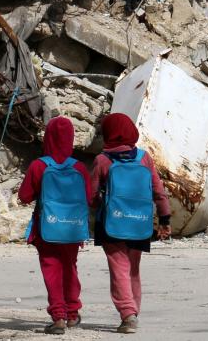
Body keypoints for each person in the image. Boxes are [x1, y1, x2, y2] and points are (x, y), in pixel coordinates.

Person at [91, 113, 172, 334]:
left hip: (111, 223)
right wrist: (165, 220)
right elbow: (158, 191)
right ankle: (133, 310)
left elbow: (91, 195)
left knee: (119, 268)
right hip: (140, 224)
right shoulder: (144, 158)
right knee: (133, 269)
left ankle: (128, 314)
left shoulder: (102, 160)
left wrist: (99, 203)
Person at [19, 116, 92, 335]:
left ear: (48, 138)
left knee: (51, 270)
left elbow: (24, 196)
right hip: (72, 228)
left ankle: (58, 316)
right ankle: (72, 313)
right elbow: (88, 198)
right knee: (70, 268)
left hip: (46, 229)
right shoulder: (79, 167)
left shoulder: (39, 166)